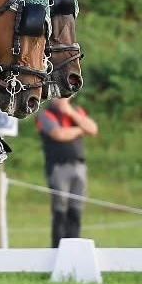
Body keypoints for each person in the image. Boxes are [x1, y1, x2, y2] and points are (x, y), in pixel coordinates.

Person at [36, 97, 99, 247]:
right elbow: (58, 134)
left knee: (76, 210)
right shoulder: (45, 115)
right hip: (58, 167)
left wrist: (70, 113)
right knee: (60, 211)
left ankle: (74, 247)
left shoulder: (76, 111)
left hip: (79, 166)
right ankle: (58, 248)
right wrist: (80, 130)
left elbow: (92, 129)